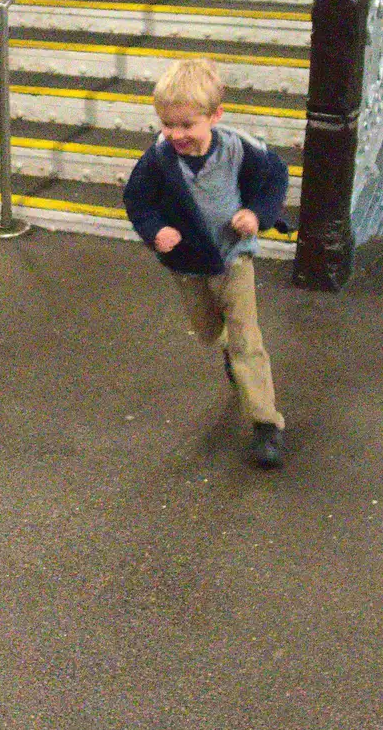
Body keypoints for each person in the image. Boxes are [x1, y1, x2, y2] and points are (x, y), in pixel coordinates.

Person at [121, 58, 290, 468]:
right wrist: (155, 230)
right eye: (167, 124)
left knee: (247, 337)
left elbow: (275, 177)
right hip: (187, 265)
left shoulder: (237, 148)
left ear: (215, 116)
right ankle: (229, 352)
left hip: (234, 256)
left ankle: (267, 424)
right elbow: (137, 201)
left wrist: (257, 214)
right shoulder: (158, 160)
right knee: (208, 330)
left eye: (187, 125)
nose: (176, 134)